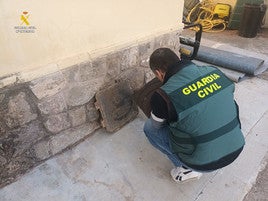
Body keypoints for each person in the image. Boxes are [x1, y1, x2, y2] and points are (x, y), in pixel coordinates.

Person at [143, 48, 245, 183]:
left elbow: (156, 126)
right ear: (179, 59)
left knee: (149, 128)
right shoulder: (214, 72)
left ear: (159, 73)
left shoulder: (162, 95)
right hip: (237, 148)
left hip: (203, 164)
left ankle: (187, 168)